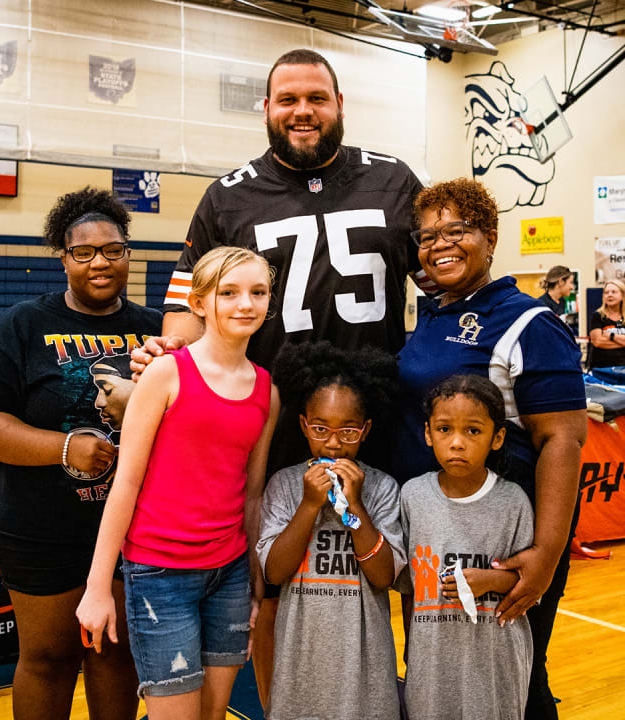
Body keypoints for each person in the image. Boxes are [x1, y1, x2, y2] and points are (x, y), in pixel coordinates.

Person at [133, 47, 430, 711]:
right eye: (288, 99)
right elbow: (187, 300)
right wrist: (171, 357)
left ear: (339, 106)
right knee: (270, 584)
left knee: (394, 569)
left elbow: (442, 272)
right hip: (269, 418)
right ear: (266, 109)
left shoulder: (394, 180)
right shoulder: (228, 195)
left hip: (377, 416)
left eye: (316, 98)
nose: (303, 111)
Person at [0, 186, 160, 720]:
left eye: (112, 249)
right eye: (83, 252)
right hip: (39, 526)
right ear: (63, 258)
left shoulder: (153, 330)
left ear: (128, 254)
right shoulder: (23, 325)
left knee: (115, 652)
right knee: (48, 657)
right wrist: (64, 447)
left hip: (128, 528)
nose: (100, 262)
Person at [392, 178, 586, 720]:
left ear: (490, 237)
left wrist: (545, 556)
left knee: (514, 679)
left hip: (504, 542)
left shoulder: (529, 321)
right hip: (436, 536)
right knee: (439, 675)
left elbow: (563, 440)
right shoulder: (434, 312)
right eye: (428, 236)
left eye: (457, 230)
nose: (441, 245)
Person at [77, 246, 279, 720]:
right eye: (228, 293)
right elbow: (125, 482)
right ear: (199, 302)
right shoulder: (167, 374)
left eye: (258, 292)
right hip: (160, 577)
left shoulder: (266, 390)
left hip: (228, 575)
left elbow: (251, 494)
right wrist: (98, 585)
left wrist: (252, 579)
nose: (245, 304)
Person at [256, 341, 404, 720]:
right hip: (299, 668)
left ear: (366, 430)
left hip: (364, 671)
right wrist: (308, 505)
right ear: (304, 425)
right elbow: (274, 572)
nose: (334, 443)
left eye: (348, 431)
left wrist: (355, 507)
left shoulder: (383, 488)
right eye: (321, 428)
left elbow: (383, 575)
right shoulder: (286, 486)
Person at [401, 374, 534, 720]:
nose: (457, 442)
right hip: (431, 662)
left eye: (473, 431)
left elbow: (529, 583)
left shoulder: (513, 501)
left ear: (497, 437)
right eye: (445, 429)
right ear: (428, 433)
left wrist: (490, 581)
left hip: (495, 659)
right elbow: (407, 586)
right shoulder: (412, 496)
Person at [587, 279, 625, 370]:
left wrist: (611, 336)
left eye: (614, 292)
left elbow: (602, 341)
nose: (609, 295)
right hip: (601, 370)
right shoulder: (597, 316)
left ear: (622, 296)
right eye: (606, 292)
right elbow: (598, 342)